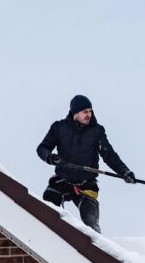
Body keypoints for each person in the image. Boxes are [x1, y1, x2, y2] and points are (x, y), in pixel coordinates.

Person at [37, 95, 135, 233]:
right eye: (85, 112)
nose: (89, 114)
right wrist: (50, 157)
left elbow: (109, 155)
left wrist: (125, 172)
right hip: (62, 180)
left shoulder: (97, 131)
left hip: (86, 184)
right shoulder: (59, 128)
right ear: (75, 113)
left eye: (90, 111)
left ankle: (97, 248)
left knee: (91, 227)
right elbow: (42, 148)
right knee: (46, 211)